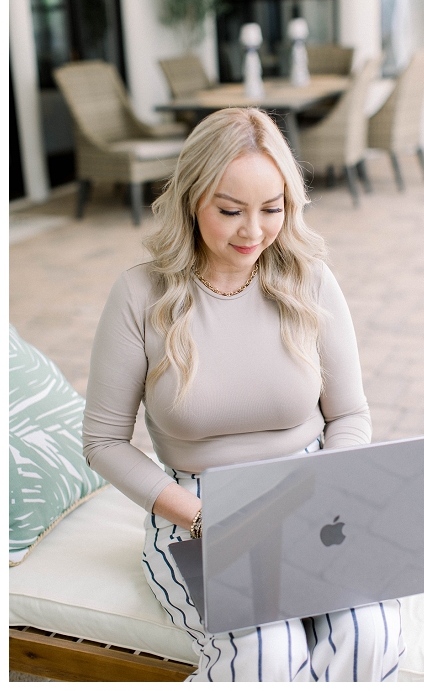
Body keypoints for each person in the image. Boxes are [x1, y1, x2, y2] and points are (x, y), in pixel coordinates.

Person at [82, 108, 405, 682]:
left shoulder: (310, 280)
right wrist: (205, 517)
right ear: (191, 201)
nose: (252, 232)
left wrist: (327, 492)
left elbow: (350, 415)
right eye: (230, 211)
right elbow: (104, 441)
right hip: (199, 511)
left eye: (271, 209)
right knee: (267, 654)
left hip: (312, 497)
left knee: (369, 637)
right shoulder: (139, 294)